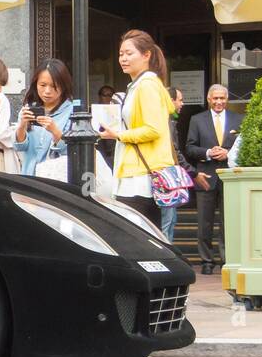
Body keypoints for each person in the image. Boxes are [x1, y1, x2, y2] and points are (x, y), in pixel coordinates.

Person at [98, 29, 171, 228]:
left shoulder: (146, 85)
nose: (123, 58)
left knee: (137, 236)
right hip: (136, 173)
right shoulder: (139, 85)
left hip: (139, 176)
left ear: (146, 55)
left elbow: (153, 129)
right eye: (121, 54)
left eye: (129, 53)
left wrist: (119, 135)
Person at [184, 83, 243, 274]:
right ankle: (206, 261)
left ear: (227, 99)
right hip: (206, 175)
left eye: (222, 98)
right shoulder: (197, 120)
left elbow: (244, 146)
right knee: (204, 222)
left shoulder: (239, 119)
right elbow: (190, 148)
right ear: (209, 99)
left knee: (229, 220)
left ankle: (227, 259)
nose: (219, 102)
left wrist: (228, 154)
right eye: (215, 98)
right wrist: (208, 152)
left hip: (230, 176)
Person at [13, 59, 75, 177]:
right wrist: (21, 126)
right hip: (29, 177)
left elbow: (71, 151)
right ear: (35, 84)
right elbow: (20, 147)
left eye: (54, 86)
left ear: (64, 86)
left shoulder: (71, 111)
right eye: (42, 85)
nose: (47, 91)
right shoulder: (28, 109)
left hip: (56, 179)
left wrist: (55, 131)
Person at [159, 85, 195, 243]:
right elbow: (174, 150)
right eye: (180, 100)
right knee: (167, 222)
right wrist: (192, 172)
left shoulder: (170, 121)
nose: (182, 104)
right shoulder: (165, 121)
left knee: (170, 220)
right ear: (170, 100)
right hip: (166, 178)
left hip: (167, 177)